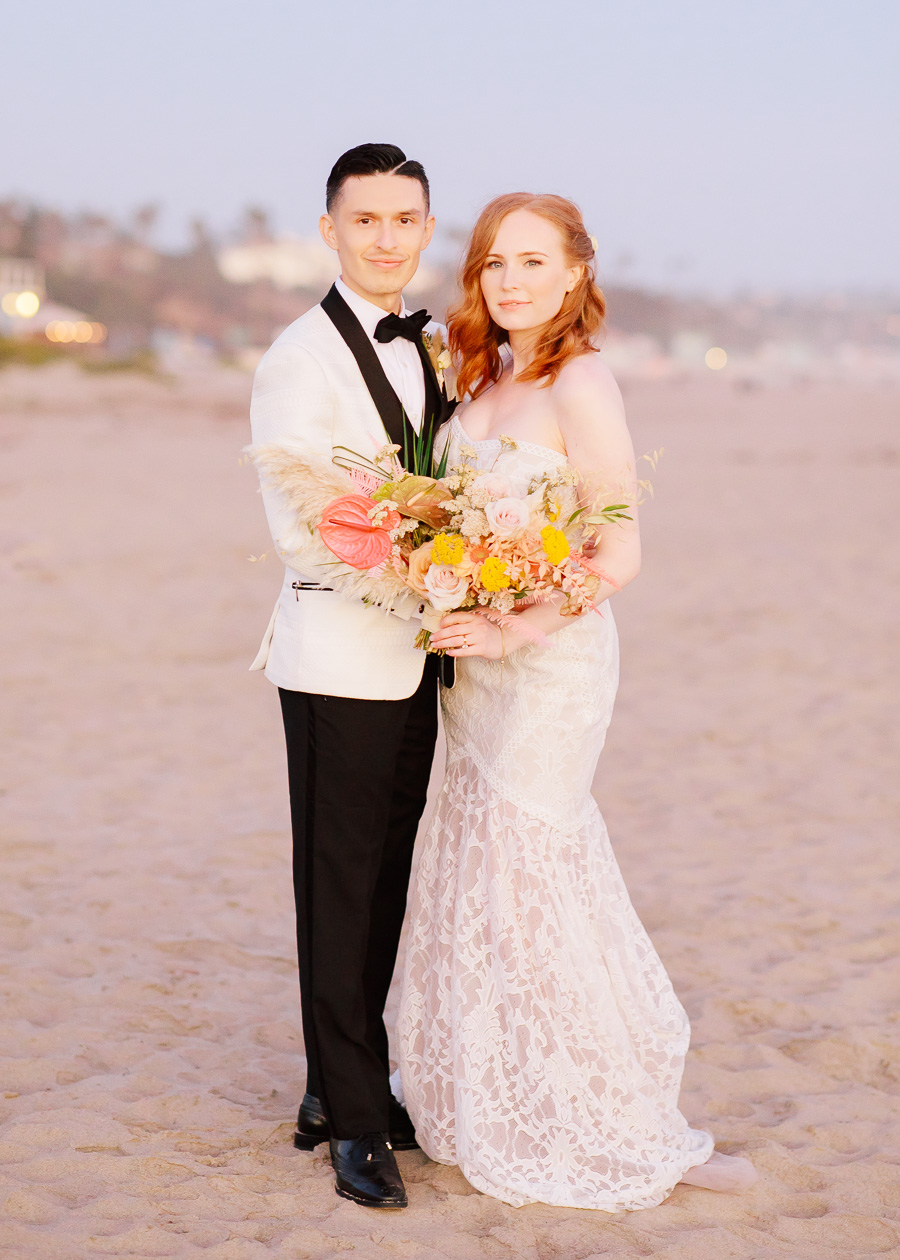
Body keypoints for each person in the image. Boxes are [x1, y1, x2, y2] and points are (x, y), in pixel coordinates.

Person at [396, 193, 757, 1210]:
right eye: (492, 263)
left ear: (572, 277)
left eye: (530, 262)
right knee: (474, 879)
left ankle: (613, 1116)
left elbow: (620, 549)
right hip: (476, 672)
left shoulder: (581, 381)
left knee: (532, 877)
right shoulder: (480, 378)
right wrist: (447, 579)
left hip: (549, 669)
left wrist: (514, 624)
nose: (508, 279)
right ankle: (487, 1098)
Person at [249, 143, 455, 1209]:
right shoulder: (296, 359)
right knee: (337, 887)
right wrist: (437, 554)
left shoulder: (435, 348)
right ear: (329, 231)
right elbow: (309, 531)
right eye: (364, 220)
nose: (385, 237)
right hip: (337, 657)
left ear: (426, 228)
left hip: (422, 663)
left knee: (382, 884)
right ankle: (355, 1127)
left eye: (404, 219)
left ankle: (340, 1087)